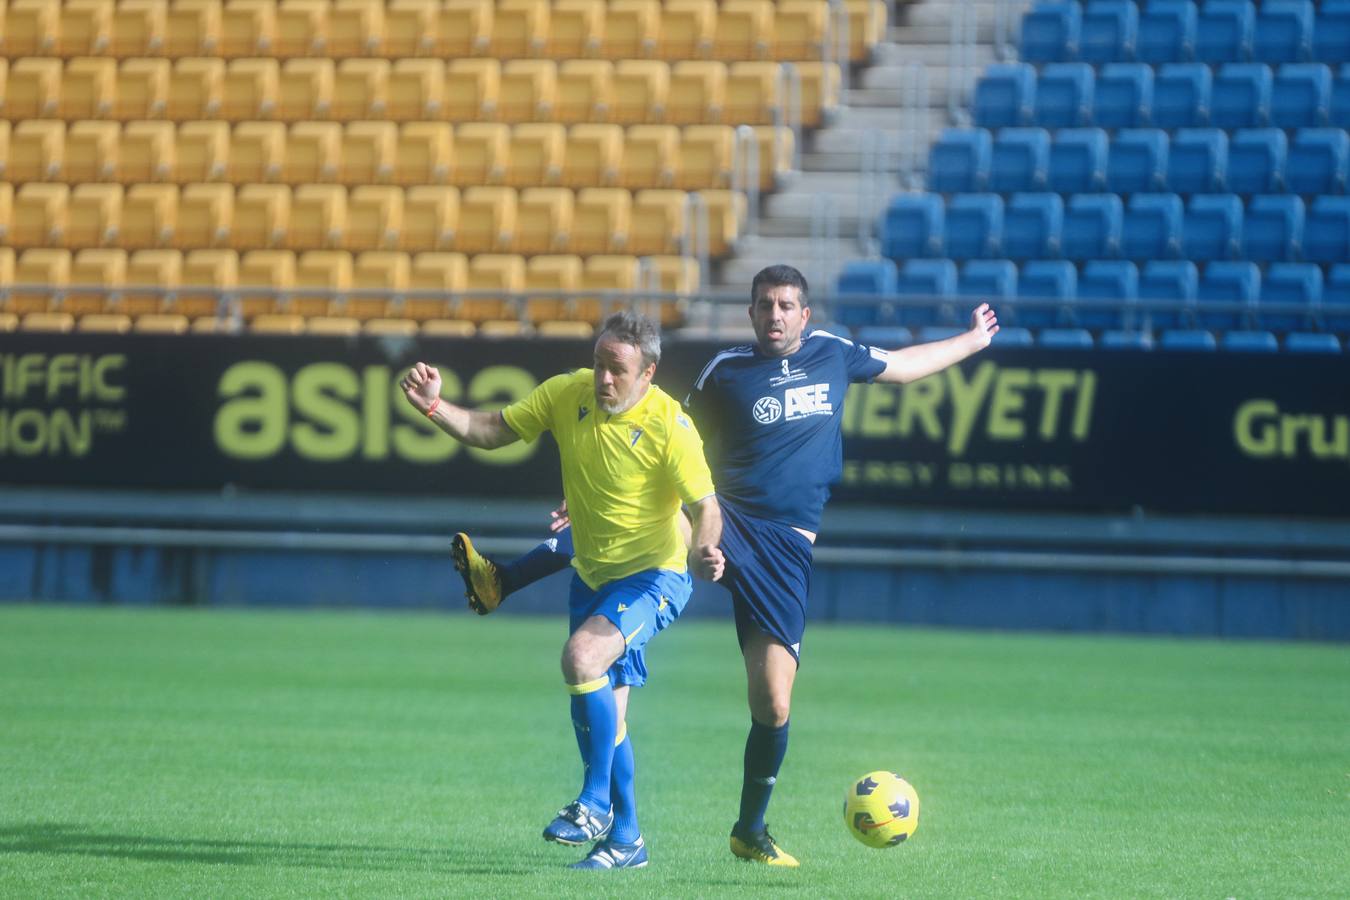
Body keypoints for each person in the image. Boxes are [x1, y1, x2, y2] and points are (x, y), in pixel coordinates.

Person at [450, 265, 999, 867]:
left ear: (805, 314)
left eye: (787, 304)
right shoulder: (725, 369)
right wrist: (606, 483)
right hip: (726, 512)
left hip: (786, 545)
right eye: (765, 304)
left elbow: (903, 365)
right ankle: (503, 581)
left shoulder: (835, 354)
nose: (776, 314)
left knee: (773, 704)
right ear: (751, 312)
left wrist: (971, 341)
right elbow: (656, 427)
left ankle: (749, 830)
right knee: (640, 546)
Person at [403, 310, 725, 871]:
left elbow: (707, 508)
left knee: (581, 659)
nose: (602, 378)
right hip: (593, 572)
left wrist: (704, 549)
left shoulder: (670, 426)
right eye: (598, 364)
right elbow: (490, 431)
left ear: (648, 372)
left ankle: (596, 804)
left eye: (616, 370)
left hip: (657, 575)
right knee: (603, 715)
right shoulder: (566, 393)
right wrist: (435, 406)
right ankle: (627, 841)